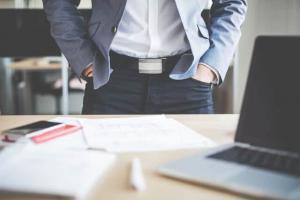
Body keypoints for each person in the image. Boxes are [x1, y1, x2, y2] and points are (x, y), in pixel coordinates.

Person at [42, 0, 247, 114]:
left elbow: (231, 4)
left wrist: (210, 67)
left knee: (193, 180)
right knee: (105, 179)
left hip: (188, 80)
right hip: (111, 83)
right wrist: (84, 59)